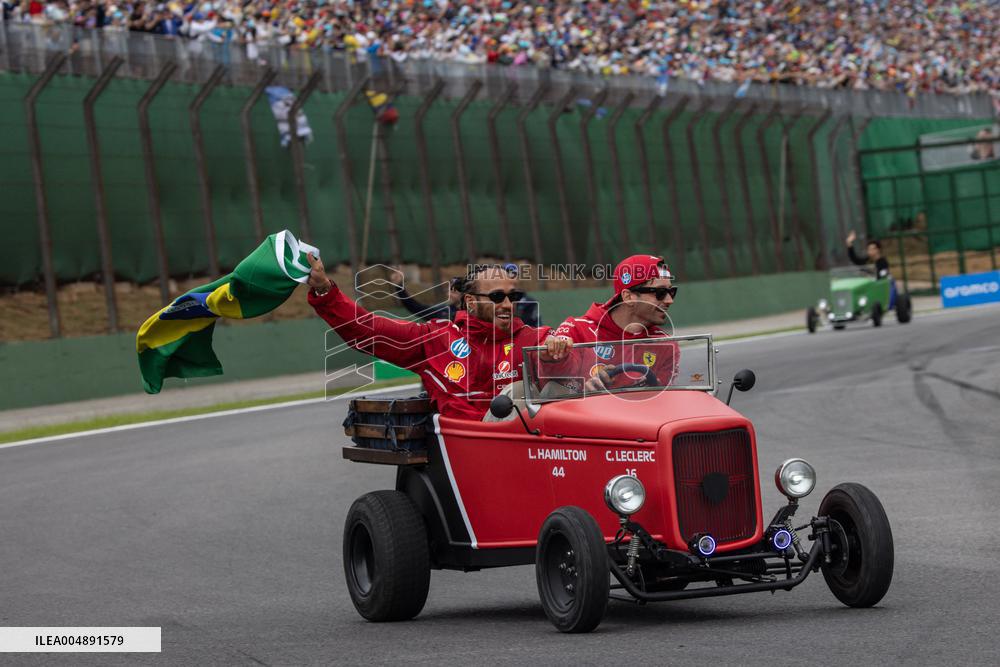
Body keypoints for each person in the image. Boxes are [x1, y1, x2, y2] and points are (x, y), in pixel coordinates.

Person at [307, 256, 551, 421]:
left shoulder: (533, 339)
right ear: (471, 302)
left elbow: (568, 341)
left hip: (525, 446)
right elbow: (367, 330)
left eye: (513, 296)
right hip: (465, 452)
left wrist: (559, 346)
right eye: (497, 297)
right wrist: (325, 291)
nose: (507, 304)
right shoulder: (437, 338)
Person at [540, 255, 679, 393]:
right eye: (660, 293)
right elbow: (554, 385)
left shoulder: (666, 345)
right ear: (628, 297)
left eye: (671, 292)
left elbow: (663, 399)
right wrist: (551, 356)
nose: (669, 300)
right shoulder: (576, 330)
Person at [392, 265, 540, 327]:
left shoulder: (483, 314)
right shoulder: (444, 312)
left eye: (454, 290)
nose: (450, 293)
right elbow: (415, 307)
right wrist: (399, 287)